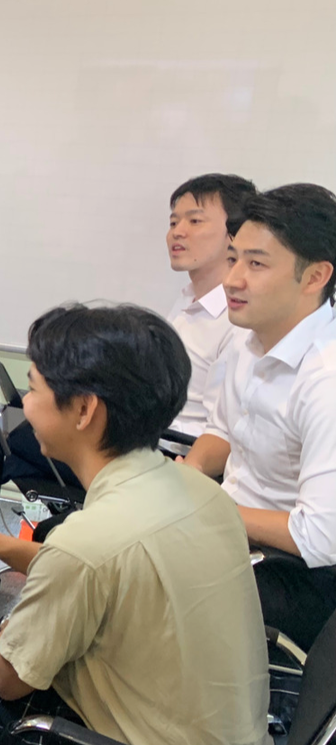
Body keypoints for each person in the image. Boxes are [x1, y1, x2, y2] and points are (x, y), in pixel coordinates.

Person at [0, 303, 268, 745]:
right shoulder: (205, 493)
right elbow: (108, 570)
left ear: (84, 410)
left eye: (33, 388)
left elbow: (7, 679)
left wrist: (14, 620)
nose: (25, 404)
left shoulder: (85, 546)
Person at [182, 183, 336, 650]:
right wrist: (189, 474)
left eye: (256, 264)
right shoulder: (248, 338)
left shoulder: (325, 379)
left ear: (315, 277)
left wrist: (210, 508)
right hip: (234, 531)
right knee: (91, 541)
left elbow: (319, 536)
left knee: (130, 579)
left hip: (299, 573)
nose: (232, 279)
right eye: (233, 259)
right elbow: (222, 430)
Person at [165, 173, 256, 437]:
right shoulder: (187, 298)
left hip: (181, 450)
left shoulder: (239, 318)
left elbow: (222, 429)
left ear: (236, 234)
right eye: (173, 222)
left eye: (195, 221)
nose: (177, 232)